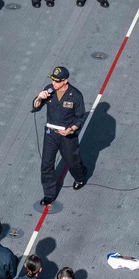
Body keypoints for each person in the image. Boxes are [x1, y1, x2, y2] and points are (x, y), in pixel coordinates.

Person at [31, 66, 88, 206]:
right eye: (53, 80)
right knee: (46, 164)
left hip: (67, 135)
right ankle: (49, 195)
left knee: (72, 161)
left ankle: (80, 176)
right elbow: (36, 106)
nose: (54, 84)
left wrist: (71, 129)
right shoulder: (49, 90)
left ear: (65, 81)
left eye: (57, 81)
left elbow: (80, 117)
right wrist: (39, 97)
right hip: (51, 134)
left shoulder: (75, 95)